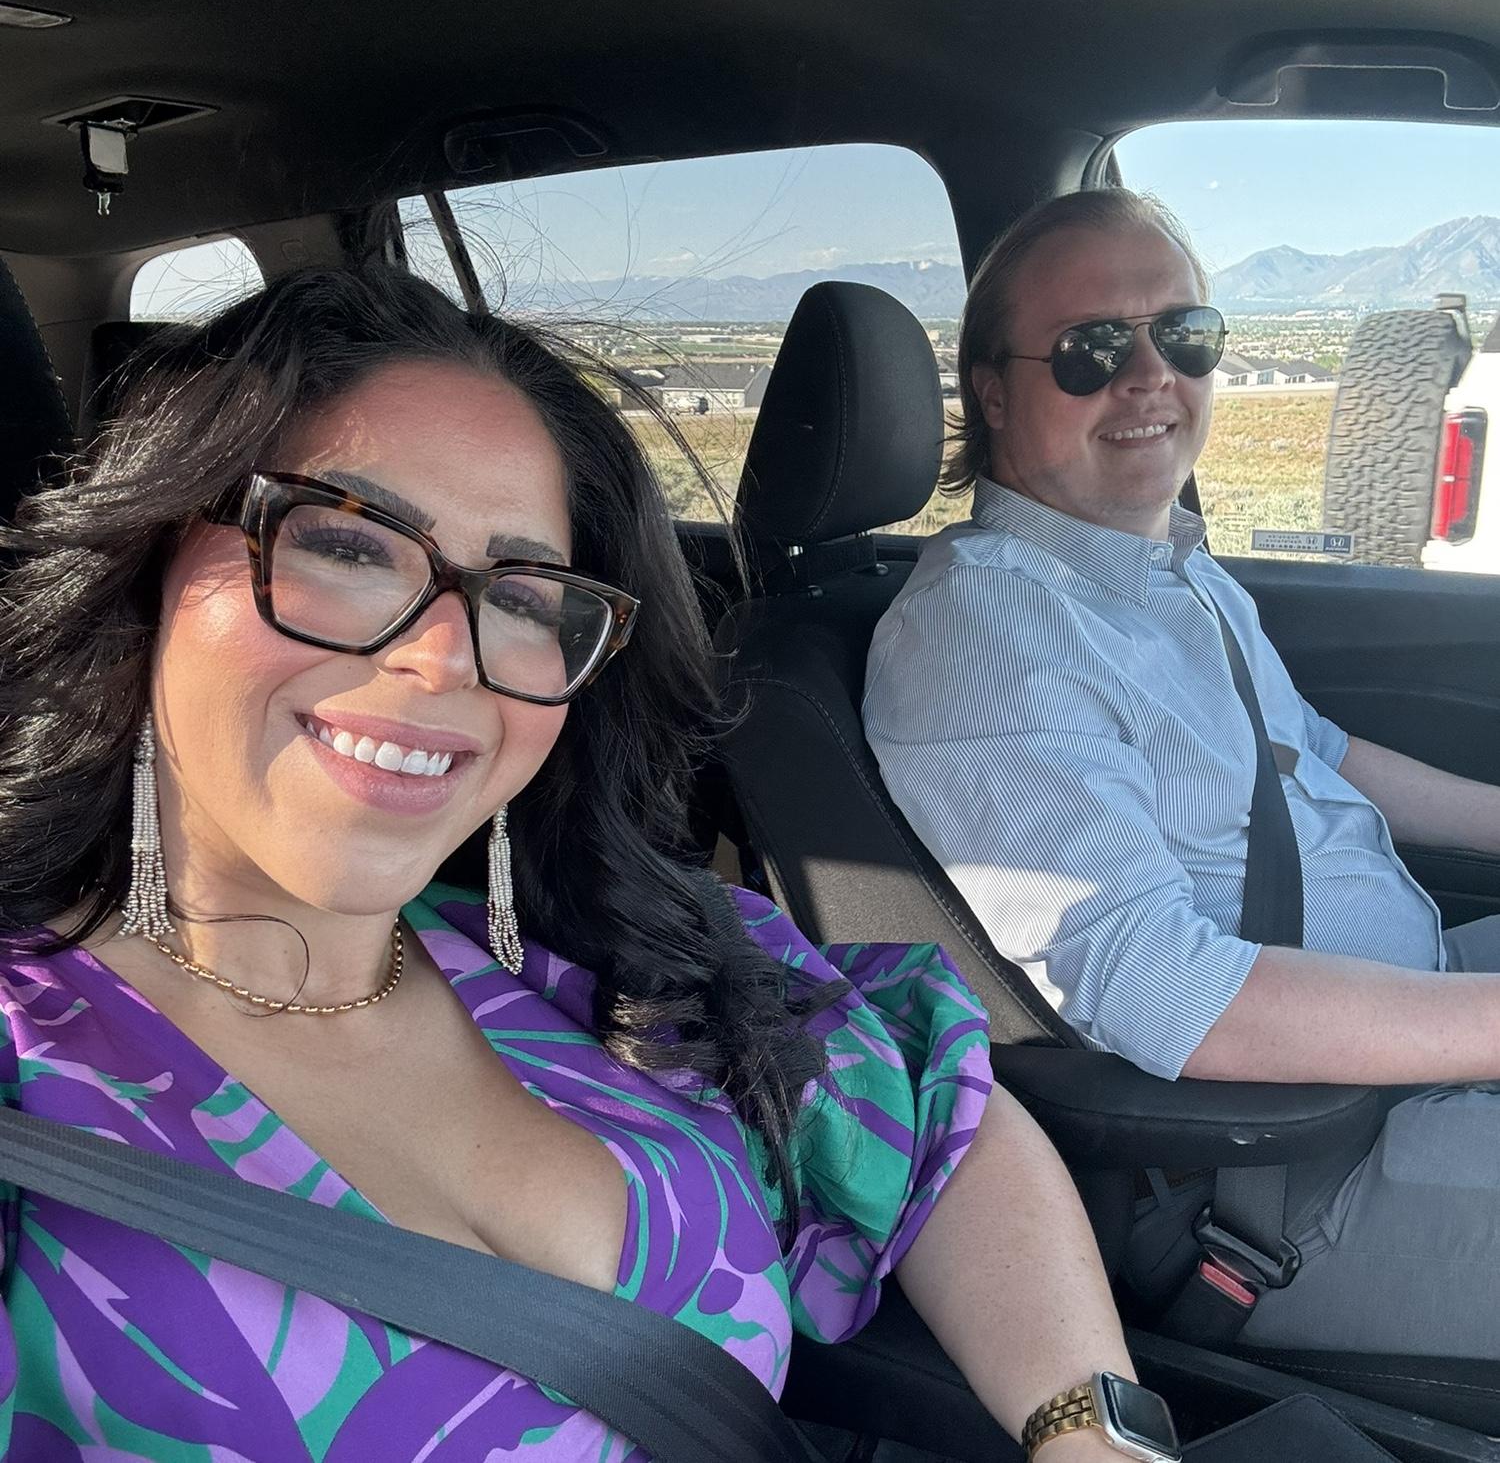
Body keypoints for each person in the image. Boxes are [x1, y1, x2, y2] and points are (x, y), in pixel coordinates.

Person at [0, 265, 1155, 1461]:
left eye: (523, 596)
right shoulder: (30, 1075)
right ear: (146, 567)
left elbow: (946, 1116)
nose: (443, 657)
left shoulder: (616, 958)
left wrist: (1092, 1432)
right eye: (345, 545)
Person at [863, 186, 1500, 1365]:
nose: (1151, 375)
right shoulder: (986, 635)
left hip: (1396, 1025)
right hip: (1271, 1172)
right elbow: (1162, 985)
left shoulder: (1166, 571)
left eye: (1185, 334)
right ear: (993, 393)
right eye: (1093, 348)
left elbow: (1313, 753)